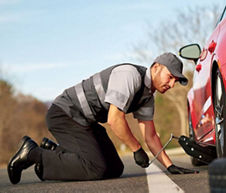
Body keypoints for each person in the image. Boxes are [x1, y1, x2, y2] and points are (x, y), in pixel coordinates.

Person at [8, 52, 197, 184]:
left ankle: (56, 152)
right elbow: (115, 119)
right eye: (170, 77)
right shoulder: (130, 75)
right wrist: (136, 149)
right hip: (65, 114)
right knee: (95, 168)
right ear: (156, 67)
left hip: (86, 120)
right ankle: (33, 153)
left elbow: (151, 136)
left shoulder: (148, 96)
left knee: (115, 168)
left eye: (175, 81)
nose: (172, 84)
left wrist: (170, 166)